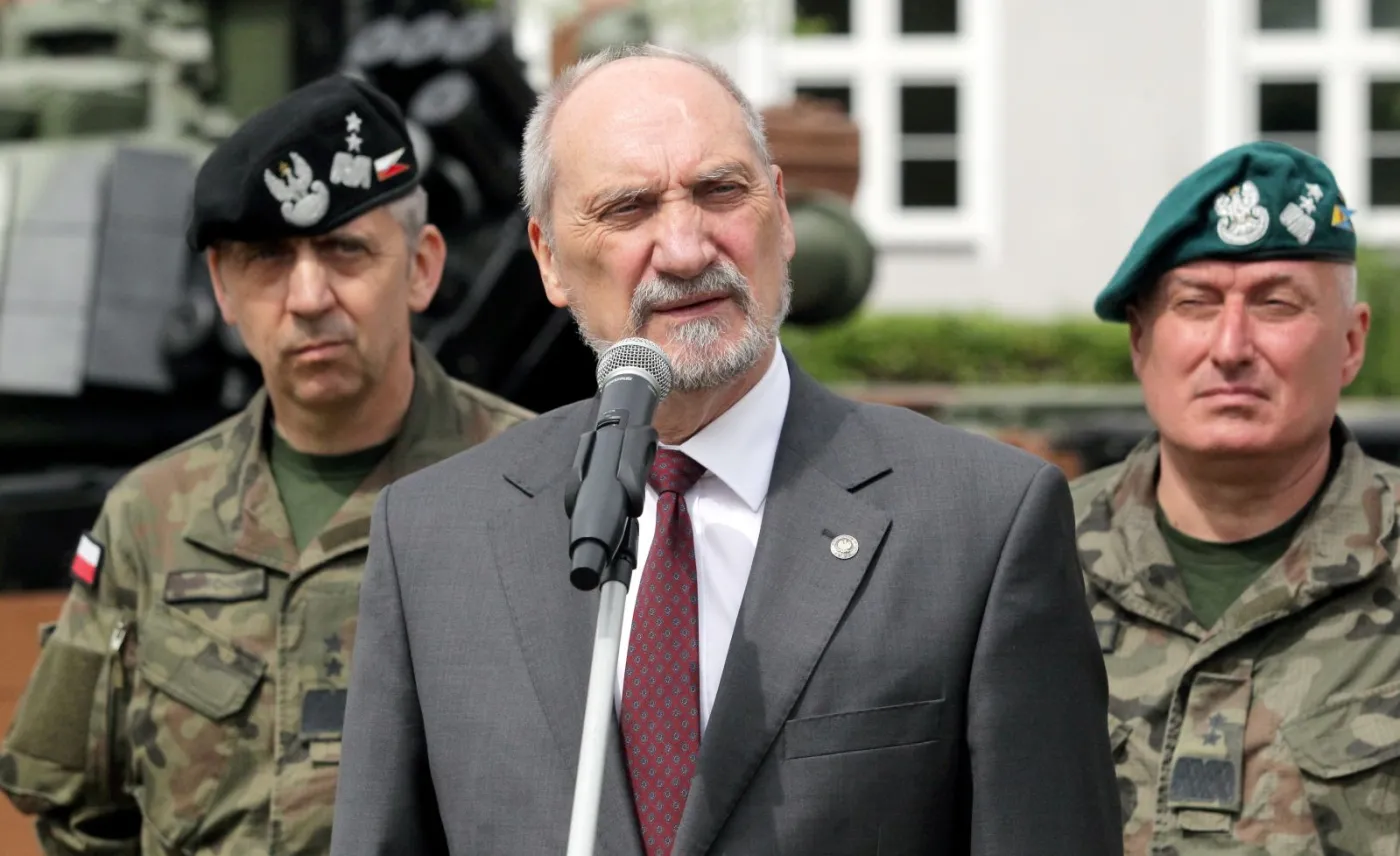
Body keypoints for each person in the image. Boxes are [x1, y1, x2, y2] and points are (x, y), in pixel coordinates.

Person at [329, 43, 1123, 856]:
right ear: (548, 258)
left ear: (781, 214)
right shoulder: (435, 539)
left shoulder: (978, 525)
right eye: (628, 208)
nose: (684, 249)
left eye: (720, 191)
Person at [0, 73, 532, 855]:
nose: (309, 296)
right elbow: (76, 806)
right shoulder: (150, 518)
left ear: (421, 267)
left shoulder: (538, 490)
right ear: (222, 287)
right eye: (268, 259)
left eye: (345, 250)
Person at [1070, 139, 1400, 855]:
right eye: (1195, 303)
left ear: (1351, 343)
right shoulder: (1027, 559)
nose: (1231, 347)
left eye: (1276, 305)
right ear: (1140, 341)